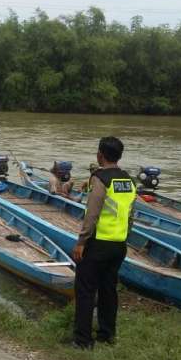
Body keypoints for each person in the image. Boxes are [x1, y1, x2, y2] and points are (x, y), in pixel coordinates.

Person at [70, 137, 136, 349]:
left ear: (100, 154)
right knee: (109, 290)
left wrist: (82, 242)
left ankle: (83, 341)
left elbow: (92, 214)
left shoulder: (100, 178)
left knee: (86, 291)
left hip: (98, 244)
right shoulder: (128, 180)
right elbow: (130, 215)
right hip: (119, 245)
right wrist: (124, 237)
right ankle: (107, 335)